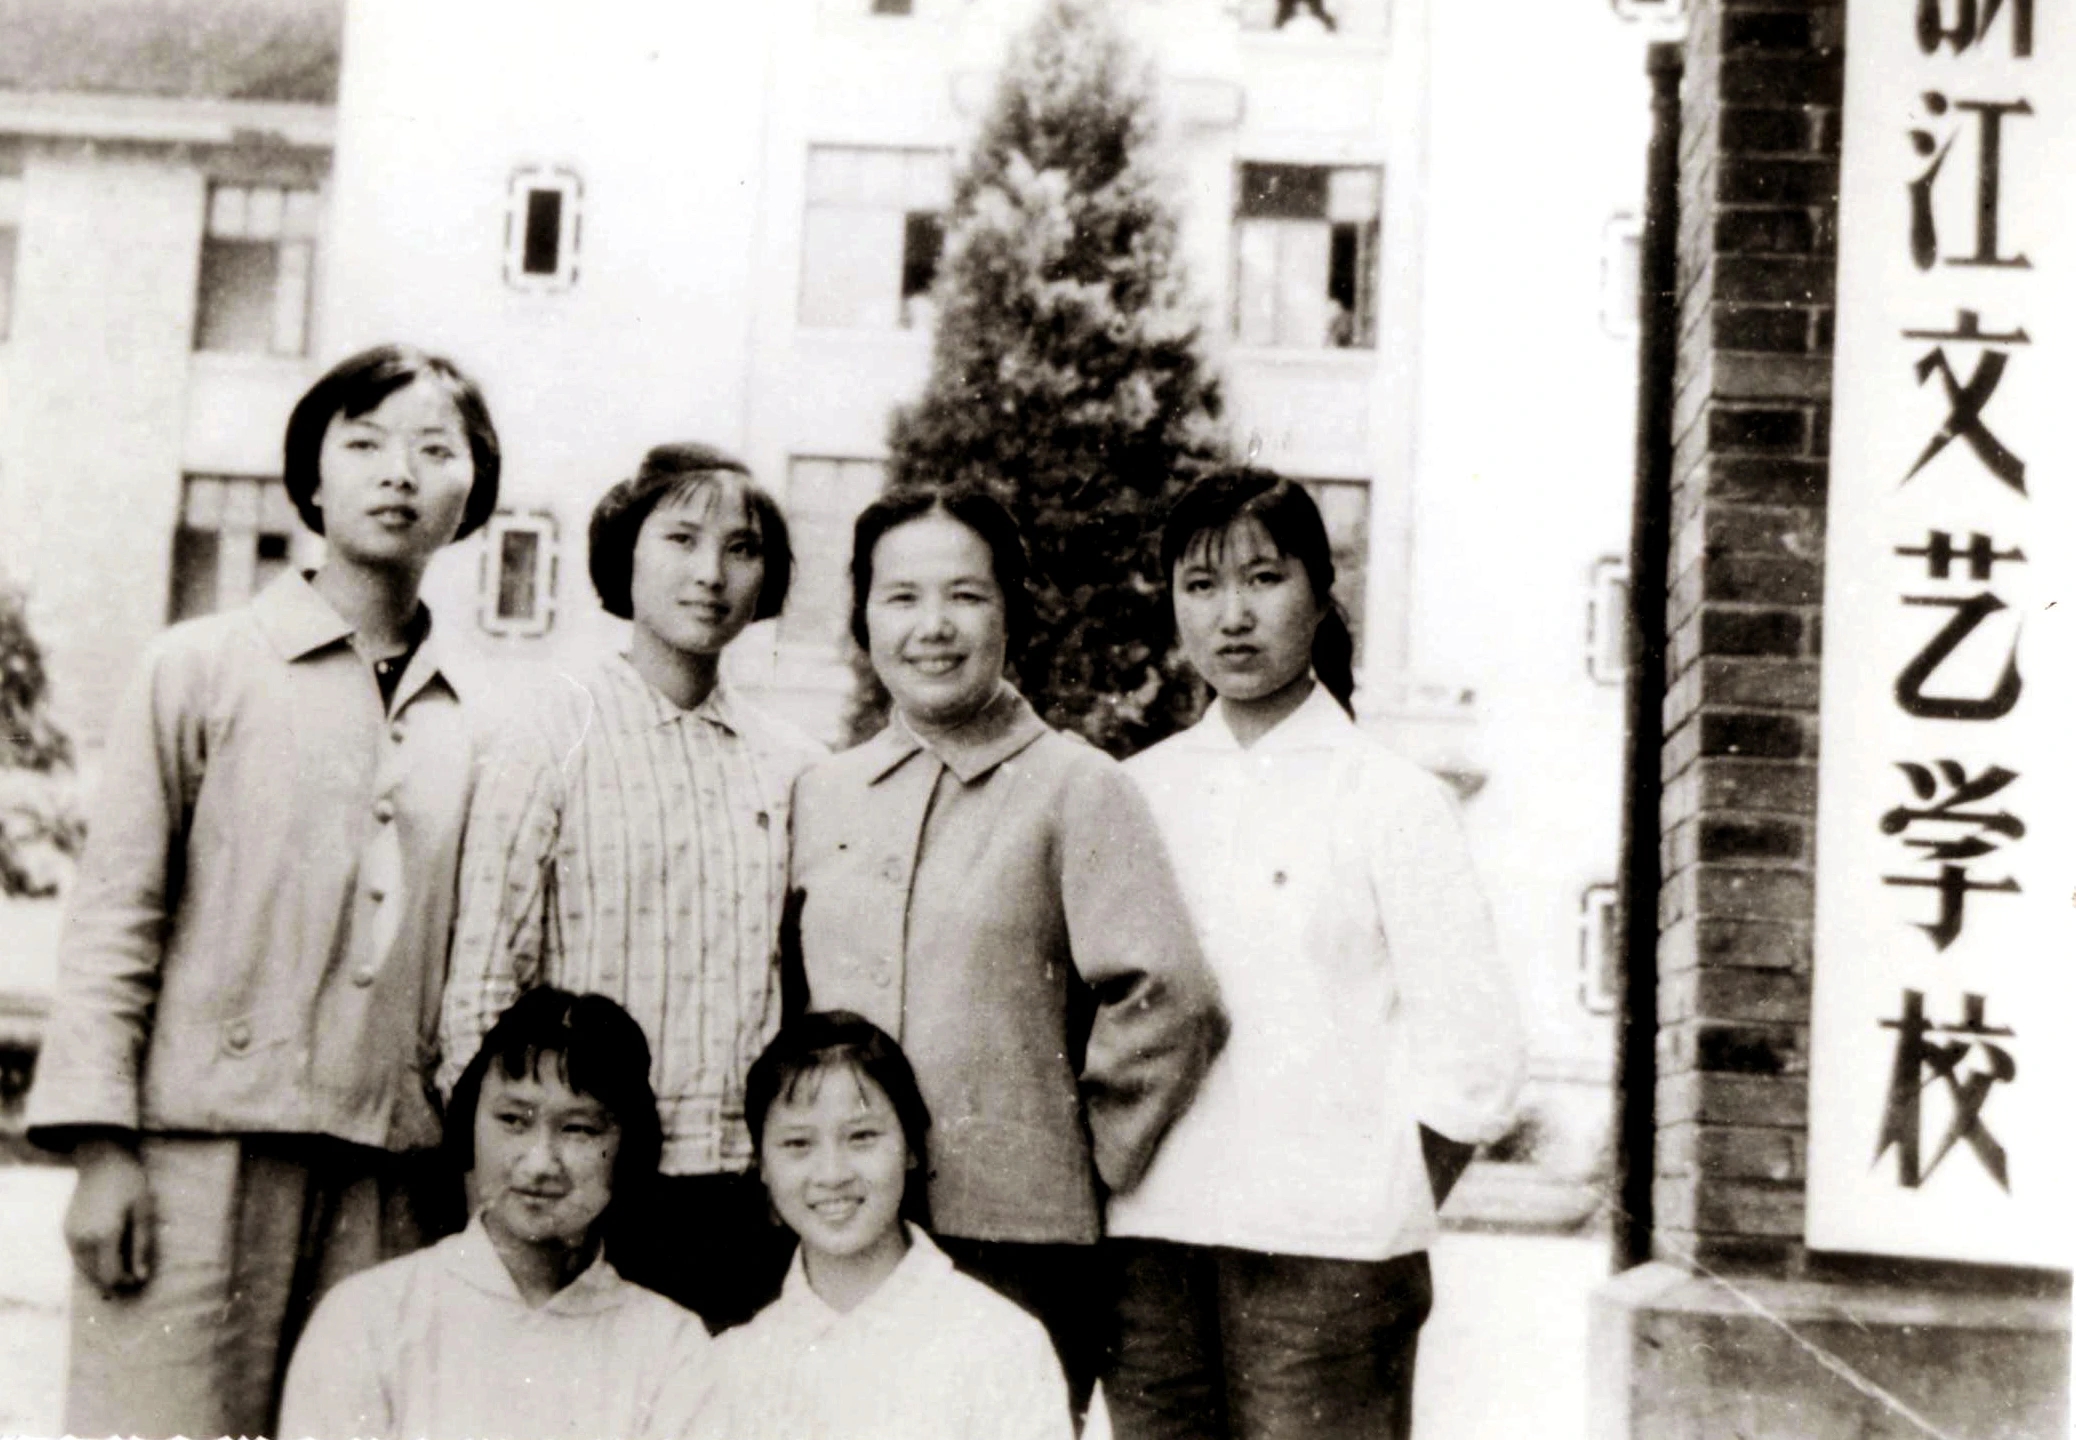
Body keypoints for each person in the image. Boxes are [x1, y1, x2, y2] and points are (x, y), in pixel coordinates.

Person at [22, 344, 502, 1439]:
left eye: (436, 450)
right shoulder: (198, 667)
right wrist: (102, 1150)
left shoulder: (482, 719)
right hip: (193, 1156)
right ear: (312, 477)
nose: (399, 473)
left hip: (392, 1178)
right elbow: (116, 916)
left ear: (473, 491)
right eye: (365, 443)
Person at [1101, 470, 1527, 1440]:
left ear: (1323, 593)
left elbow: (1477, 1055)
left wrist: (1378, 1200)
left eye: (1264, 578)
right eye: (1201, 586)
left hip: (1330, 1264)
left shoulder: (1393, 799)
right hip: (1150, 1252)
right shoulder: (1132, 794)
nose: (1233, 616)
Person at [787, 483, 1225, 1416]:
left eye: (966, 595)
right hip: (842, 1231)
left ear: (1010, 612)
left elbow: (1170, 998)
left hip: (1018, 1241)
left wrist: (1076, 1154)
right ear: (863, 618)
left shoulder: (1077, 787)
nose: (932, 627)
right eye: (900, 597)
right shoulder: (821, 793)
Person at [442, 442, 824, 1331]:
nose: (710, 573)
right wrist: (506, 1195)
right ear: (627, 555)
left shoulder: (794, 766)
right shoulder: (549, 736)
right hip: (580, 1190)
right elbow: (483, 989)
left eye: (741, 548)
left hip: (744, 1201)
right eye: (681, 540)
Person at [280, 987, 715, 1440]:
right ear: (470, 1123)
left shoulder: (671, 1347)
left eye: (578, 1129)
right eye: (513, 1120)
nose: (540, 1163)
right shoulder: (369, 1319)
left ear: (628, 1147)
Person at [695, 1011, 1073, 1440]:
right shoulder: (731, 1367)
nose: (832, 1173)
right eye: (798, 1143)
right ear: (762, 1165)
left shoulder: (1000, 1343)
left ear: (911, 1146)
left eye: (862, 1137)